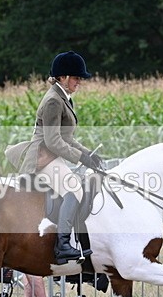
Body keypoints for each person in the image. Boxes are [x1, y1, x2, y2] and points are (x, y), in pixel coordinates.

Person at [18, 50, 104, 264]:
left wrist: (88, 154)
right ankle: (63, 245)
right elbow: (52, 140)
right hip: (42, 156)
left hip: (51, 155)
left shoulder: (63, 98)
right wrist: (79, 158)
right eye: (76, 78)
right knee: (74, 187)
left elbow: (67, 137)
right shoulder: (54, 101)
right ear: (63, 77)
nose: (79, 82)